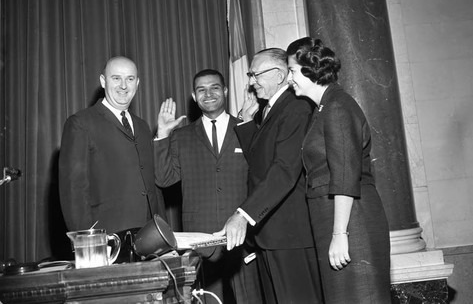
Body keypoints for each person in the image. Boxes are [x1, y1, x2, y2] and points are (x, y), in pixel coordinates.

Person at [286, 37, 391, 303]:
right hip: (339, 220)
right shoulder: (324, 107)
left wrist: (339, 234)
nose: (289, 78)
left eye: (292, 71)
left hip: (351, 223)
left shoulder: (337, 107)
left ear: (312, 70)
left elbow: (345, 175)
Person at [217, 48, 323, 304]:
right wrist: (245, 120)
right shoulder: (272, 109)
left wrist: (243, 215)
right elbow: (260, 163)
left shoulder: (295, 107)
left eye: (256, 75)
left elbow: (284, 170)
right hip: (270, 236)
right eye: (250, 75)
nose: (251, 82)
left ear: (279, 75)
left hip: (290, 237)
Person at [154, 69, 262, 304]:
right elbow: (164, 179)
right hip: (202, 243)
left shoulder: (246, 128)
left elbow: (262, 178)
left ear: (224, 91)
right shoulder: (181, 136)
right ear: (194, 96)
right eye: (201, 89)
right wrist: (162, 134)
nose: (208, 94)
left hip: (243, 237)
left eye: (214, 87)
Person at [59, 56, 160, 233]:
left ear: (137, 83)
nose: (123, 86)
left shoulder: (142, 126)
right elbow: (74, 192)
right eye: (116, 78)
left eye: (130, 79)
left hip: (149, 235)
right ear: (103, 81)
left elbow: (152, 186)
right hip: (107, 238)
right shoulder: (81, 123)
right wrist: (88, 244)